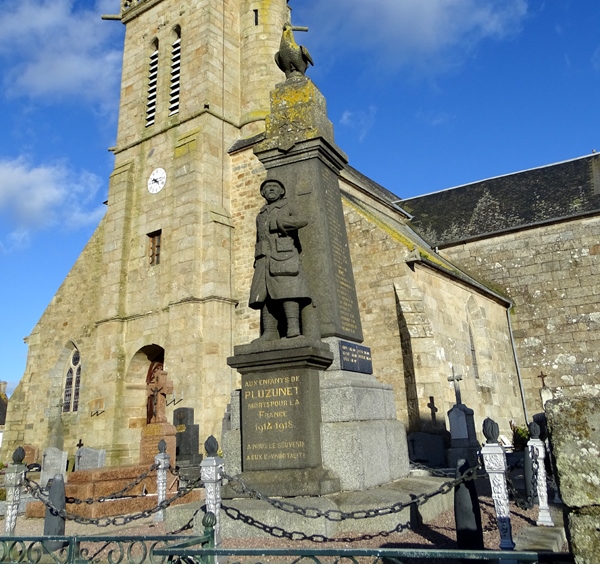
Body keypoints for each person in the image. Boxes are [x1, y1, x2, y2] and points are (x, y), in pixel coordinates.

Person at [249, 179, 311, 339]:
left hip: (283, 255)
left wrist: (278, 223)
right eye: (267, 188)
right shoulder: (260, 214)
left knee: (288, 292)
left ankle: (293, 328)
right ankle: (269, 331)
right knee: (265, 296)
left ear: (281, 191)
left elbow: (302, 219)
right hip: (263, 259)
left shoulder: (288, 205)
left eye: (274, 187)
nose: (271, 190)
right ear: (262, 193)